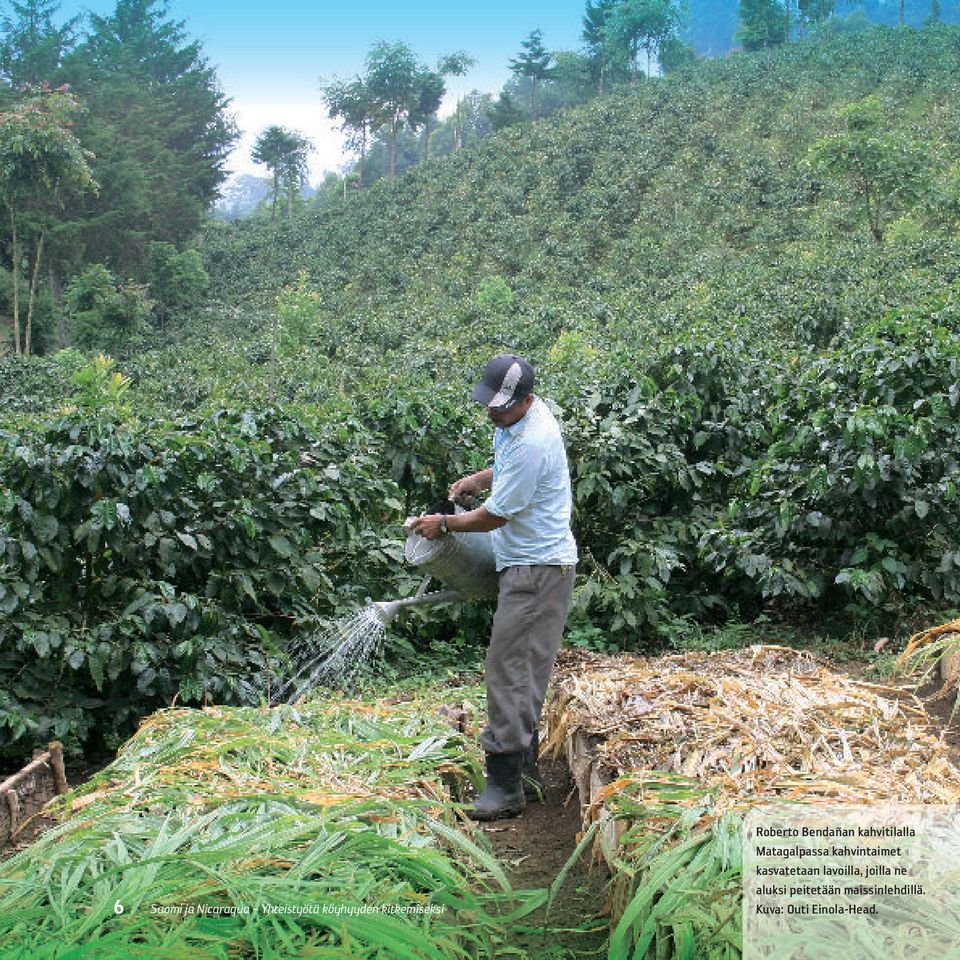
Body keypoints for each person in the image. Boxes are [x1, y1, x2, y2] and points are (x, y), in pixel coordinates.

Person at [409, 353, 578, 820]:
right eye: (489, 404)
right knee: (521, 669)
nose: (492, 413)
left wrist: (445, 524)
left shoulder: (534, 441)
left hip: (536, 569)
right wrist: (478, 479)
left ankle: (505, 787)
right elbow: (504, 469)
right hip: (529, 562)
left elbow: (495, 516)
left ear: (526, 401)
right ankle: (523, 773)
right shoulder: (519, 421)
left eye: (501, 407)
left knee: (506, 669)